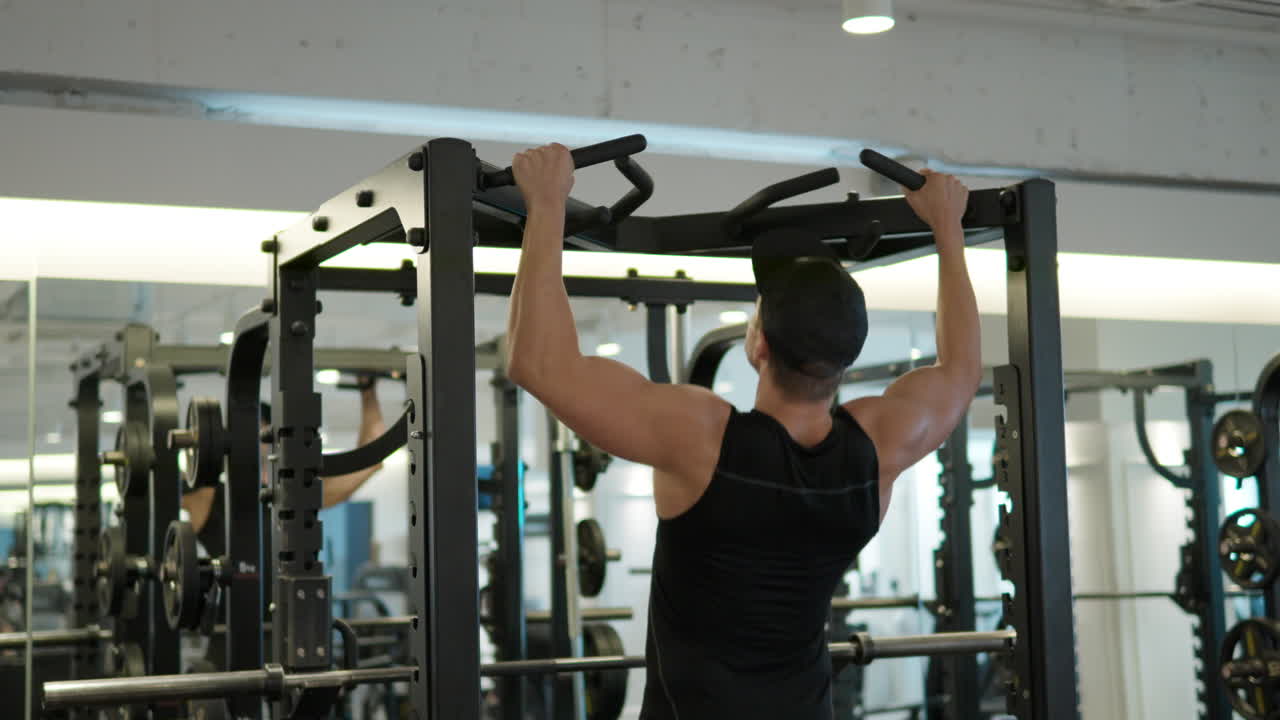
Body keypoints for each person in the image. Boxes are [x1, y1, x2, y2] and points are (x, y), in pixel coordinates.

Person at [505, 144, 980, 720]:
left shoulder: (703, 438)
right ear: (846, 362)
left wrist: (547, 203)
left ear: (757, 345)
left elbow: (538, 362)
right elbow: (960, 372)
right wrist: (948, 230)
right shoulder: (876, 450)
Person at [182, 380, 388, 555]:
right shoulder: (207, 497)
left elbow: (371, 459)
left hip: (291, 598)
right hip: (233, 602)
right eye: (241, 432)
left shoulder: (298, 494)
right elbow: (159, 480)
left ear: (274, 437)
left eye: (260, 429)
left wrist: (368, 391)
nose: (249, 439)